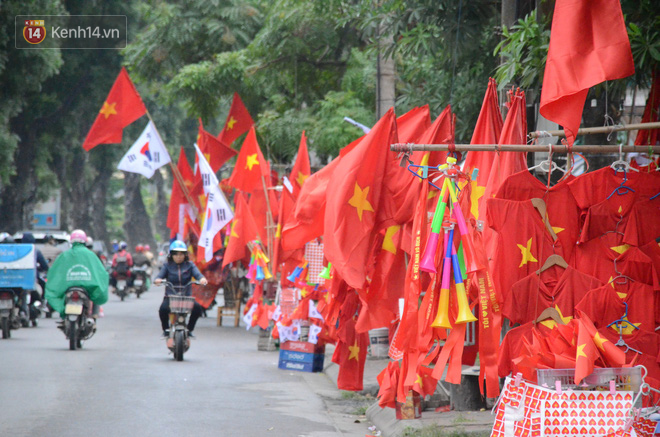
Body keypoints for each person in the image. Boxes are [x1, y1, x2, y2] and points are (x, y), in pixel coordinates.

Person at [45, 229, 108, 320]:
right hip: (85, 289)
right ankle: (93, 314)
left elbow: (56, 272)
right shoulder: (91, 255)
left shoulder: (64, 255)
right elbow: (101, 272)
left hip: (68, 288)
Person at [153, 240, 208, 338]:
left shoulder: (190, 265)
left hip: (186, 297)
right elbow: (159, 276)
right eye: (176, 254)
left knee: (197, 309)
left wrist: (202, 279)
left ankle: (190, 329)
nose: (178, 257)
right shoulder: (167, 266)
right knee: (163, 309)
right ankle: (165, 330)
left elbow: (198, 275)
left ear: (185, 255)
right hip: (170, 297)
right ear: (171, 255)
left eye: (181, 254)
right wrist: (158, 280)